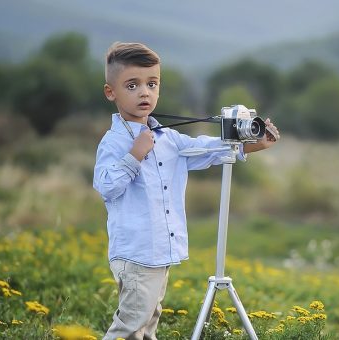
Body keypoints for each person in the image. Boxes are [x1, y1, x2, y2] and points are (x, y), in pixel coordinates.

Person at [93, 42, 279, 340]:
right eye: (132, 85)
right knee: (131, 325)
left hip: (159, 251)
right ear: (110, 92)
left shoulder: (168, 139)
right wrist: (134, 156)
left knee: (148, 320)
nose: (144, 92)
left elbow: (204, 148)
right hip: (137, 252)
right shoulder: (115, 142)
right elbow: (106, 187)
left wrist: (253, 143)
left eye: (152, 84)